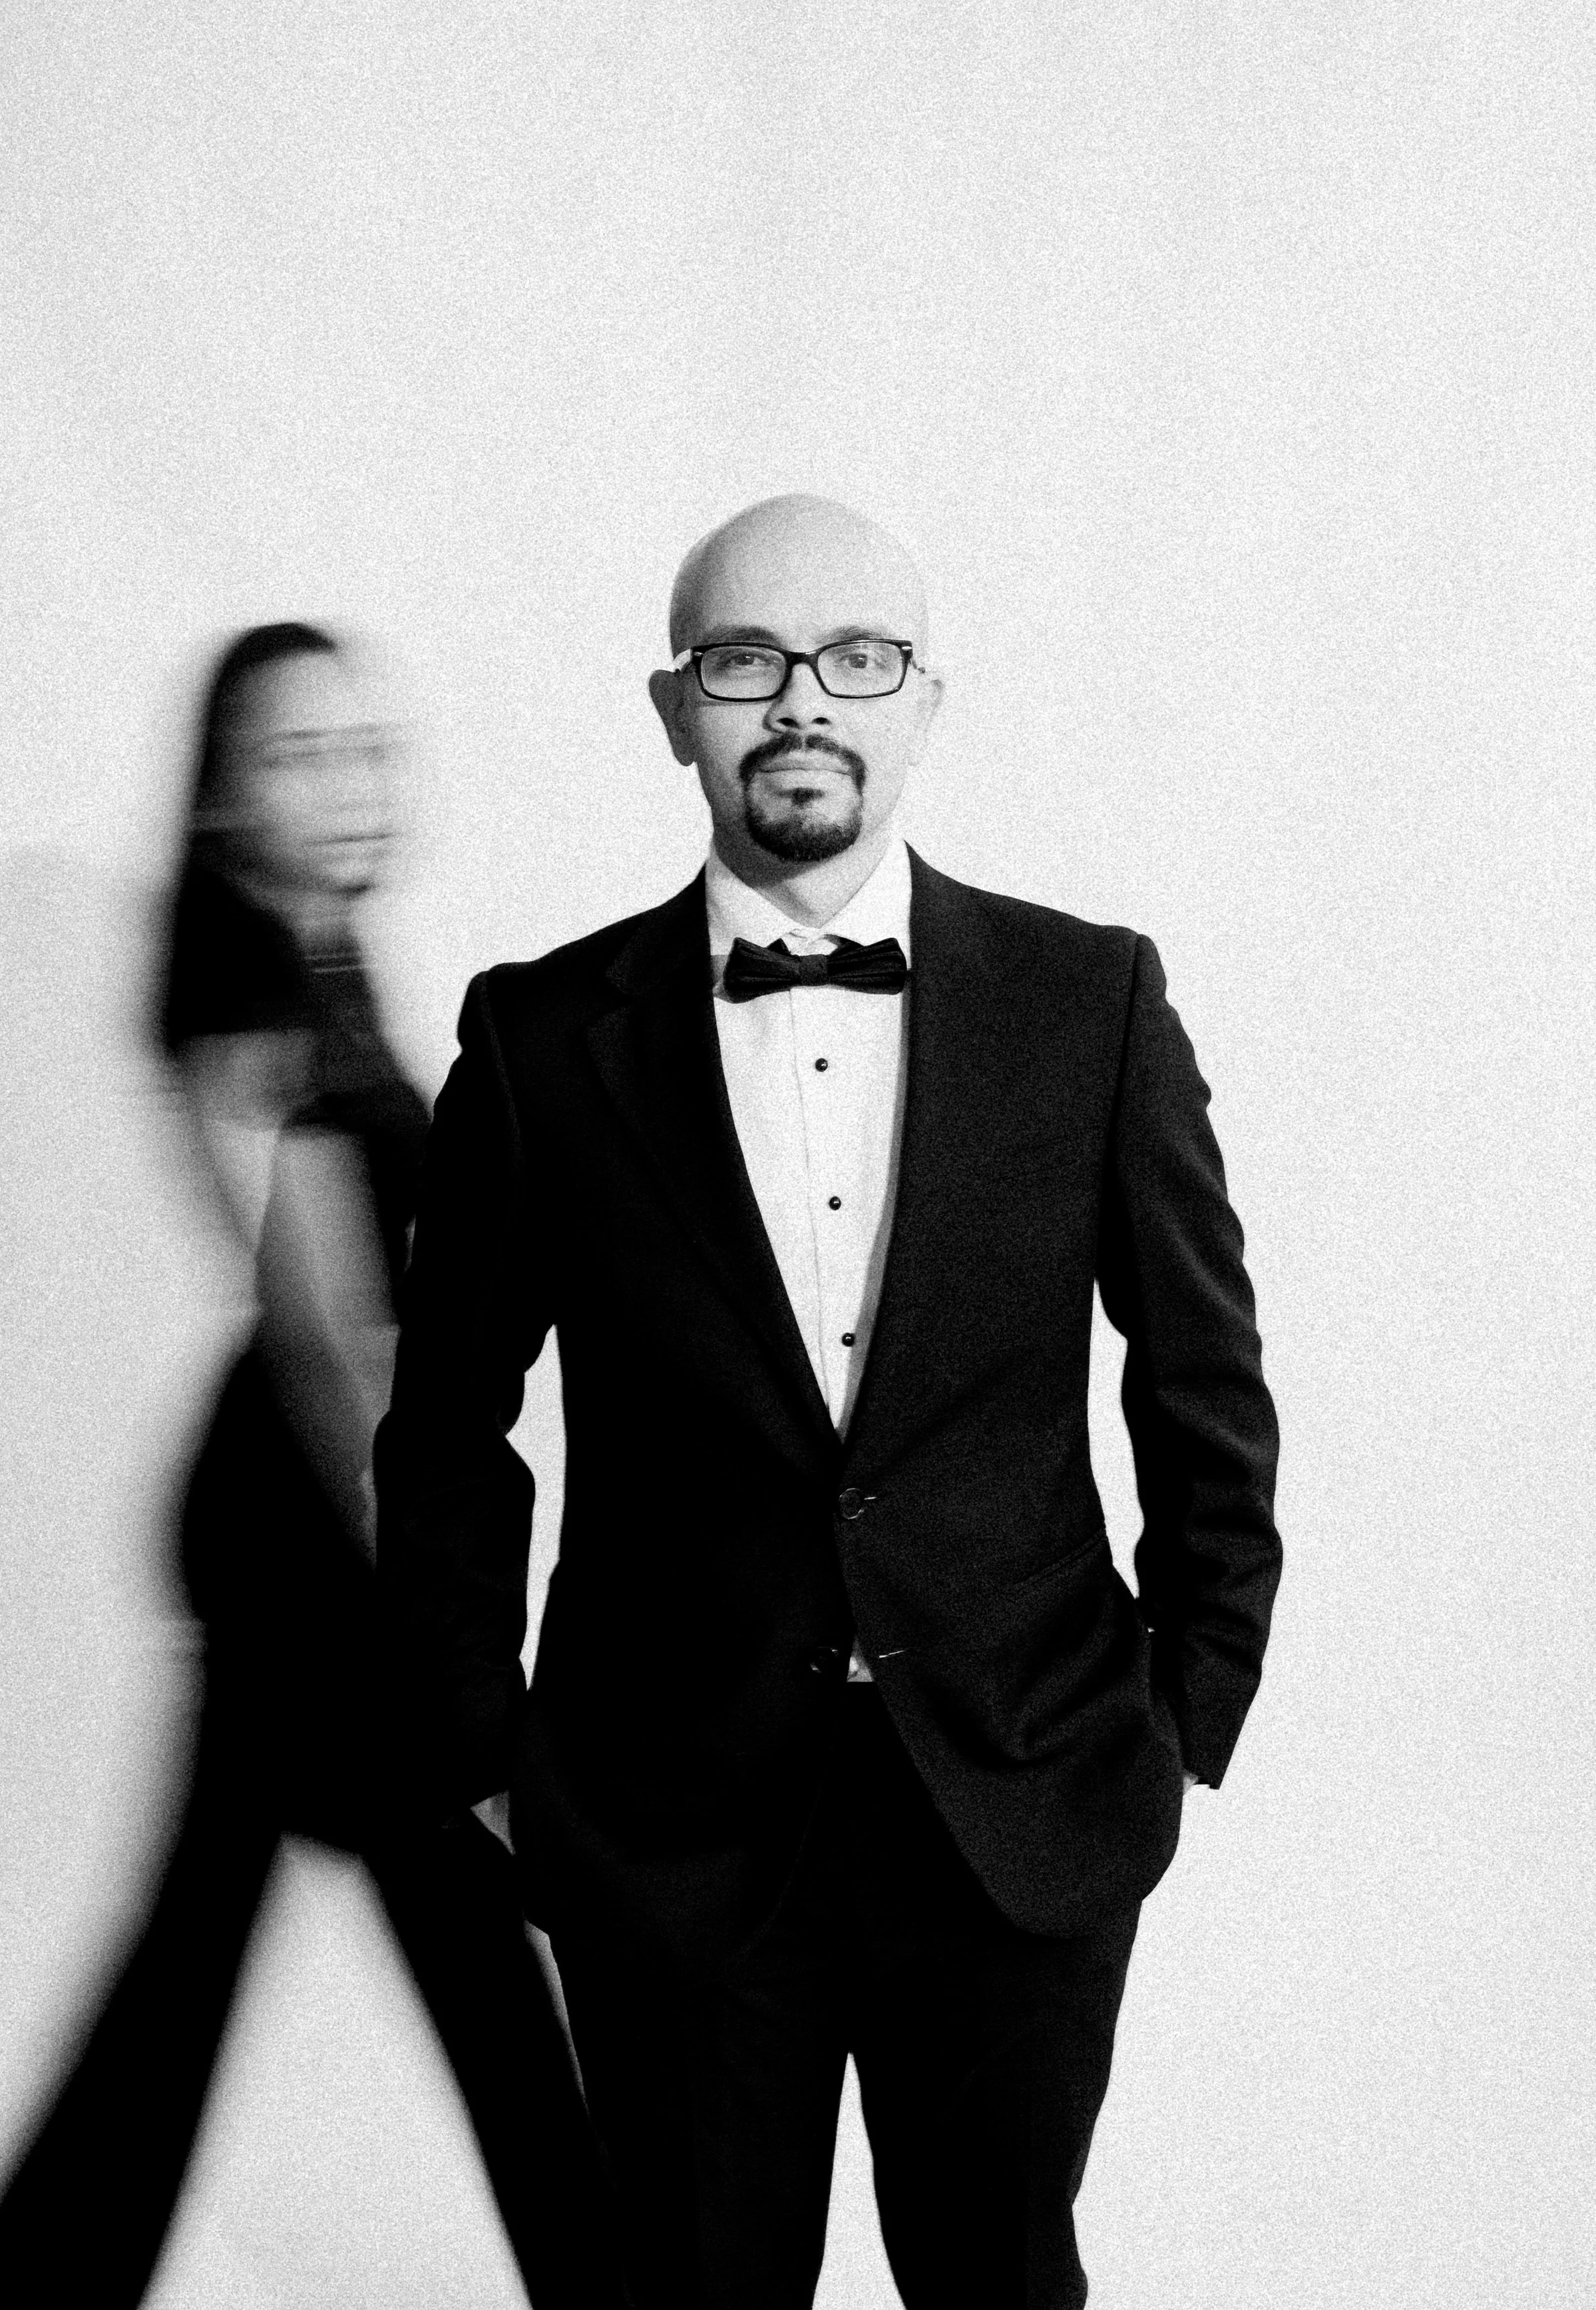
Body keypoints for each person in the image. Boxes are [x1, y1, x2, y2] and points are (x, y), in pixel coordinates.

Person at [375, 499, 1283, 2309]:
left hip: (1016, 1801)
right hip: (670, 1822)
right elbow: (446, 1421)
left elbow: (1199, 1373)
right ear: (672, 707)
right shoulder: (541, 1037)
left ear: (923, 700)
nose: (801, 701)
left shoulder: (1086, 998)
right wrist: (485, 1748)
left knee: (1002, 2280)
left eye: (855, 658)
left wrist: (1185, 1702)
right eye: (744, 663)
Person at [0, 624, 622, 2310]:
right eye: (294, 755)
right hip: (320, 1560)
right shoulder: (242, 986)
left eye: (363, 747)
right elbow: (328, 1337)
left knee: (189, 2018)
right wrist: (451, 1626)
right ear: (221, 801)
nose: (344, 785)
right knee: (505, 2006)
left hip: (292, 1557)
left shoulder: (324, 967)